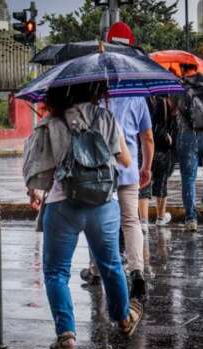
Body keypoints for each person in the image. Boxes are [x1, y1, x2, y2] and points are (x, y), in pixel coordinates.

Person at [23, 82, 143, 349]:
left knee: (56, 272)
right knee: (111, 263)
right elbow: (125, 161)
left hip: (62, 203)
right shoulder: (104, 116)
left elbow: (37, 169)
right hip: (103, 204)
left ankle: (66, 335)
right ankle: (124, 319)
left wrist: (34, 193)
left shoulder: (51, 122)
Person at [81, 96, 153, 303]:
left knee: (98, 222)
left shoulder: (95, 100)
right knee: (131, 221)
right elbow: (147, 136)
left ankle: (95, 269)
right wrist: (146, 167)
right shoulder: (138, 99)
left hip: (100, 172)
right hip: (129, 170)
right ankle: (137, 271)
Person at [173, 63, 203, 232]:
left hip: (188, 135)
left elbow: (174, 110)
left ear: (183, 69)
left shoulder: (178, 86)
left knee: (188, 177)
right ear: (197, 67)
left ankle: (190, 219)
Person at [138, 96, 177, 228]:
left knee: (143, 183)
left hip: (144, 147)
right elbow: (172, 123)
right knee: (161, 182)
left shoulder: (140, 101)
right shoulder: (165, 102)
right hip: (162, 146)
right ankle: (160, 217)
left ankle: (143, 220)